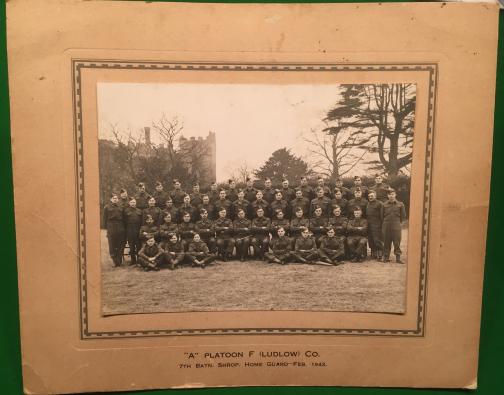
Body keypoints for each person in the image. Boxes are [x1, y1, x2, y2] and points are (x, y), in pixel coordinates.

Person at [382, 188, 407, 263]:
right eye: (389, 194)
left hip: (396, 225)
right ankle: (386, 257)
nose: (391, 196)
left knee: (397, 242)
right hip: (386, 225)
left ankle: (398, 258)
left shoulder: (400, 204)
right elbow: (382, 216)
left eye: (392, 194)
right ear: (387, 195)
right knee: (386, 242)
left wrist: (399, 225)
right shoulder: (384, 204)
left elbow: (403, 216)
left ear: (395, 195)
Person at [103, 193, 126, 267]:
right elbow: (104, 219)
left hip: (120, 226)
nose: (115, 199)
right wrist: (107, 229)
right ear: (111, 199)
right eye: (114, 198)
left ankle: (119, 260)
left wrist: (123, 228)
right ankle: (115, 260)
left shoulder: (121, 207)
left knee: (120, 244)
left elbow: (124, 218)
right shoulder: (106, 207)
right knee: (112, 245)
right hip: (111, 226)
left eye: (116, 198)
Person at [123, 197, 142, 265]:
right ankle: (133, 260)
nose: (133, 204)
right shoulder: (126, 211)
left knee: (138, 246)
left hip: (137, 230)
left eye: (134, 202)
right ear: (129, 203)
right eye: (131, 202)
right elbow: (124, 222)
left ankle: (139, 260)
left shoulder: (139, 211)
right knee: (131, 246)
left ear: (136, 203)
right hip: (129, 230)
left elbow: (141, 222)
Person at [366, 190, 384, 260]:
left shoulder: (380, 203)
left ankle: (380, 254)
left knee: (377, 239)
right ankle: (373, 253)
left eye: (372, 196)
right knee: (371, 239)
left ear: (375, 196)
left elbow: (382, 215)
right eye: (369, 196)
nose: (370, 197)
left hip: (377, 224)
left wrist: (381, 224)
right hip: (369, 224)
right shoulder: (368, 204)